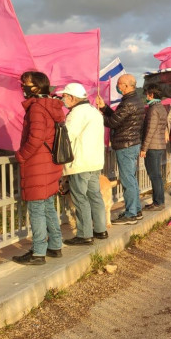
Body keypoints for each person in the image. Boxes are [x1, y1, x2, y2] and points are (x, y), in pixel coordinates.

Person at [12, 71, 64, 265]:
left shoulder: (36, 108)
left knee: (36, 209)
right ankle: (55, 245)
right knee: (48, 206)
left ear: (36, 87)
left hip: (37, 165)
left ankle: (38, 252)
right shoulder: (51, 106)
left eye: (25, 83)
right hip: (49, 163)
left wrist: (21, 156)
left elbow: (35, 138)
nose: (22, 87)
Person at [60, 83, 108, 245]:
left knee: (80, 198)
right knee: (95, 196)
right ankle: (101, 230)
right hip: (95, 161)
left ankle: (84, 234)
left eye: (65, 97)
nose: (63, 100)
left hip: (80, 162)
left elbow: (68, 136)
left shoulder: (76, 114)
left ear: (72, 98)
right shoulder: (95, 112)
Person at [95, 73, 144, 224]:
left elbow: (112, 123)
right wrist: (104, 108)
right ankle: (136, 209)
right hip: (132, 143)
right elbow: (118, 118)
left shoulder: (128, 103)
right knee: (131, 179)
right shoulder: (134, 100)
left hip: (125, 145)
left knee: (127, 180)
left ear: (127, 86)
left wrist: (96, 115)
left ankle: (131, 214)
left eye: (120, 84)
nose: (118, 86)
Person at [140, 83, 168, 210]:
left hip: (152, 146)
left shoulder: (153, 109)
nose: (146, 96)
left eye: (147, 94)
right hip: (159, 144)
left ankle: (158, 202)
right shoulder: (161, 107)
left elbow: (150, 130)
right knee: (157, 175)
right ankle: (159, 201)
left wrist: (144, 148)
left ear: (151, 95)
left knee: (154, 175)